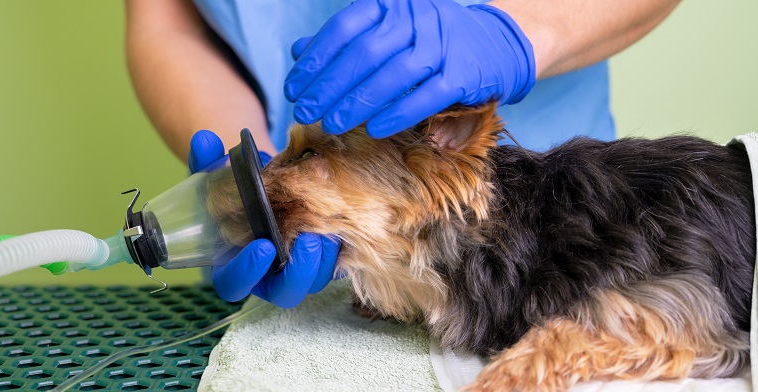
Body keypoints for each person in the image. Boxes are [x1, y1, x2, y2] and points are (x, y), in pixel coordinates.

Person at [125, 0, 680, 306]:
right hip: (304, 256)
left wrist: (516, 33)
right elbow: (165, 21)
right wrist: (248, 172)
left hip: (560, 235)